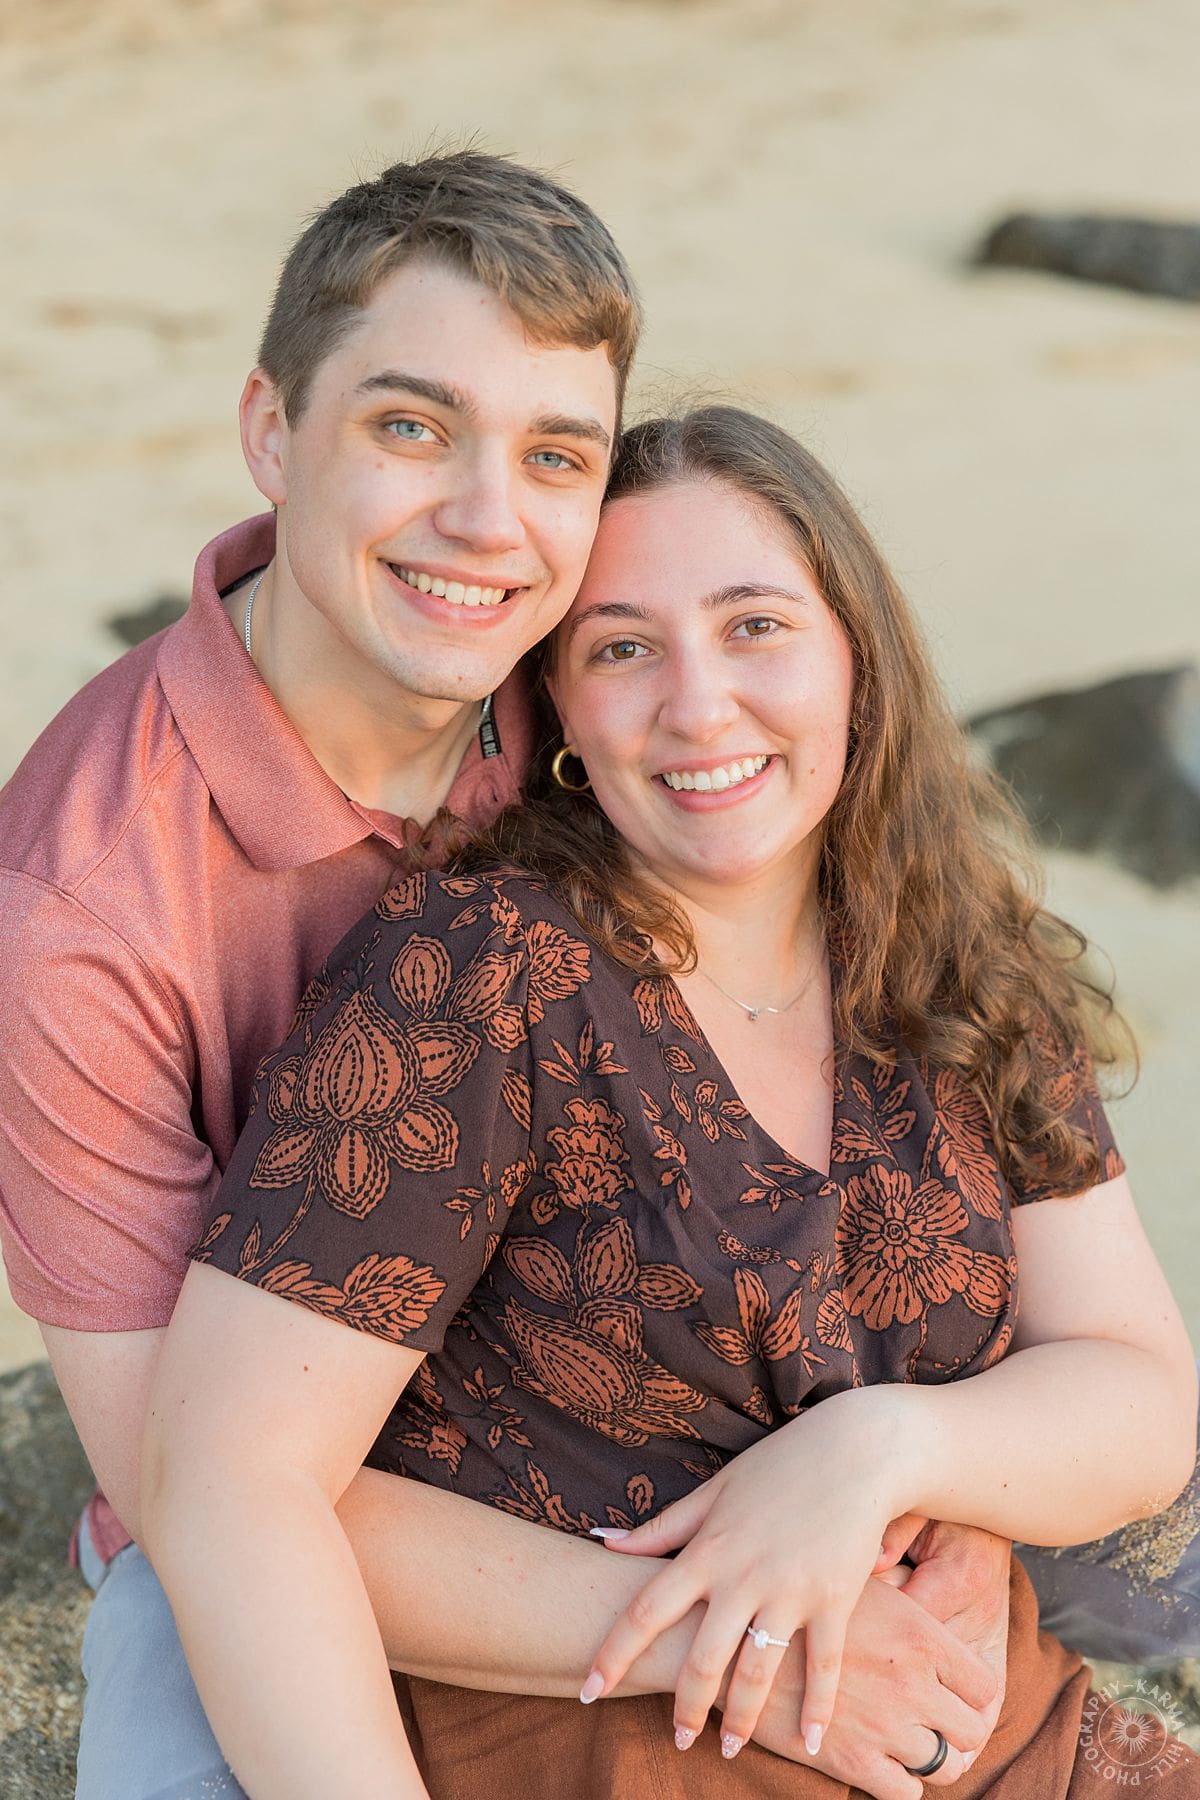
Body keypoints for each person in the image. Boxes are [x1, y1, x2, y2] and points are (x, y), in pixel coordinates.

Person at [0, 153, 1031, 1800]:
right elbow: (205, 1486)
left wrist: (926, 1489)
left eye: (553, 455)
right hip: (313, 1516)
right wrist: (736, 1640)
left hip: (668, 1404)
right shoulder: (72, 913)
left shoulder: (605, 692)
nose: (490, 524)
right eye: (411, 428)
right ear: (271, 432)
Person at [141, 405, 1200, 1799]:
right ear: (560, 709)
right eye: (623, 649)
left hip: (1002, 1744)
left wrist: (880, 1451)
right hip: (626, 1749)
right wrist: (713, 1619)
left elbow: (1136, 1397)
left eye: (755, 625)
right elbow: (240, 1486)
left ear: (855, 656)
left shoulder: (949, 946)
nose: (699, 706)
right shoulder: (480, 976)